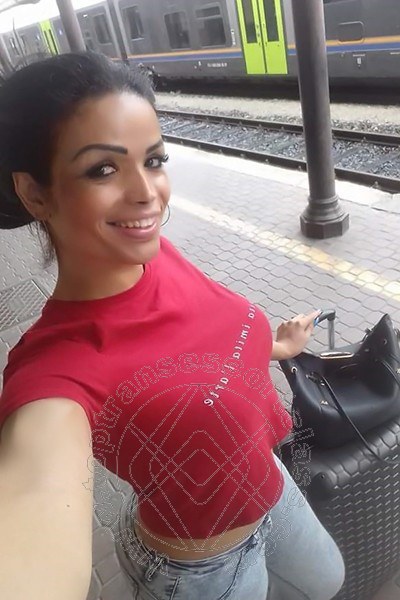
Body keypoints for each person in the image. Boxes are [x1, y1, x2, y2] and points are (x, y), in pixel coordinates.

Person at [0, 52, 345, 600]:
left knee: (327, 580)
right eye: (103, 169)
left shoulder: (158, 256)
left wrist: (275, 347)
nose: (147, 193)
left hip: (270, 489)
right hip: (200, 569)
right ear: (35, 193)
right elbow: (34, 504)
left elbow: (198, 350)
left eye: (154, 159)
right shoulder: (57, 372)